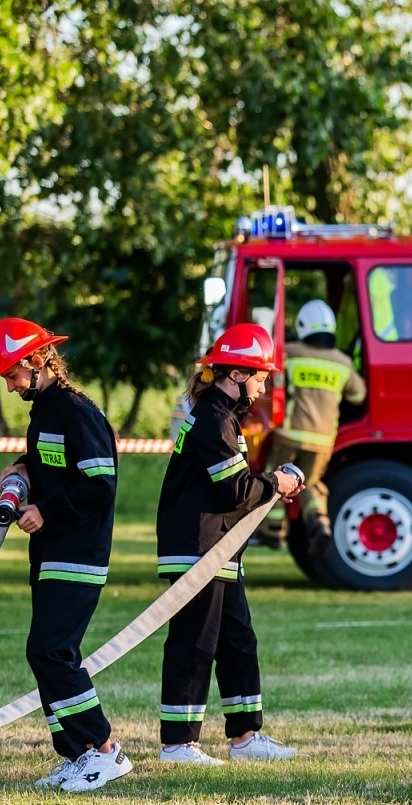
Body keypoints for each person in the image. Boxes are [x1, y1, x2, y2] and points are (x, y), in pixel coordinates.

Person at [0, 317, 132, 794]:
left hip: (77, 551)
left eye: (12, 374)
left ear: (36, 360)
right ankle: (78, 753)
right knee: (54, 652)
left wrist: (45, 510)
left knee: (48, 651)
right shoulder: (45, 412)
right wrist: (23, 470)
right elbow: (57, 467)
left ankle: (105, 751)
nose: (10, 386)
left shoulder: (73, 411)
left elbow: (99, 485)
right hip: (52, 553)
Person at [157, 322, 305, 766]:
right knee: (194, 644)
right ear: (236, 375)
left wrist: (269, 484)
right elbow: (235, 491)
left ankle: (244, 736)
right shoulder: (213, 419)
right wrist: (276, 482)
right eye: (260, 376)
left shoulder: (220, 416)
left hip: (219, 546)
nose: (263, 386)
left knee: (238, 640)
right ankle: (178, 744)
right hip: (198, 549)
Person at [258, 299, 367, 556]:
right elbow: (358, 396)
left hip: (289, 435)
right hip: (323, 440)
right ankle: (319, 521)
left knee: (275, 476)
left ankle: (273, 531)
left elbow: (271, 384)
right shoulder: (342, 362)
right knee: (312, 483)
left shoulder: (290, 353)